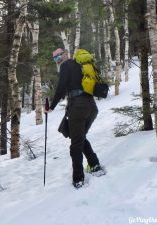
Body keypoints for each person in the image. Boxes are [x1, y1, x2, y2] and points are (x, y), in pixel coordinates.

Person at [45, 48, 106, 189]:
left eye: (59, 56)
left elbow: (61, 87)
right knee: (79, 137)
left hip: (78, 107)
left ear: (66, 54)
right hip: (91, 106)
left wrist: (52, 106)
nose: (57, 59)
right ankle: (94, 164)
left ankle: (78, 178)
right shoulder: (81, 65)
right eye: (54, 58)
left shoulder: (66, 65)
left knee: (76, 143)